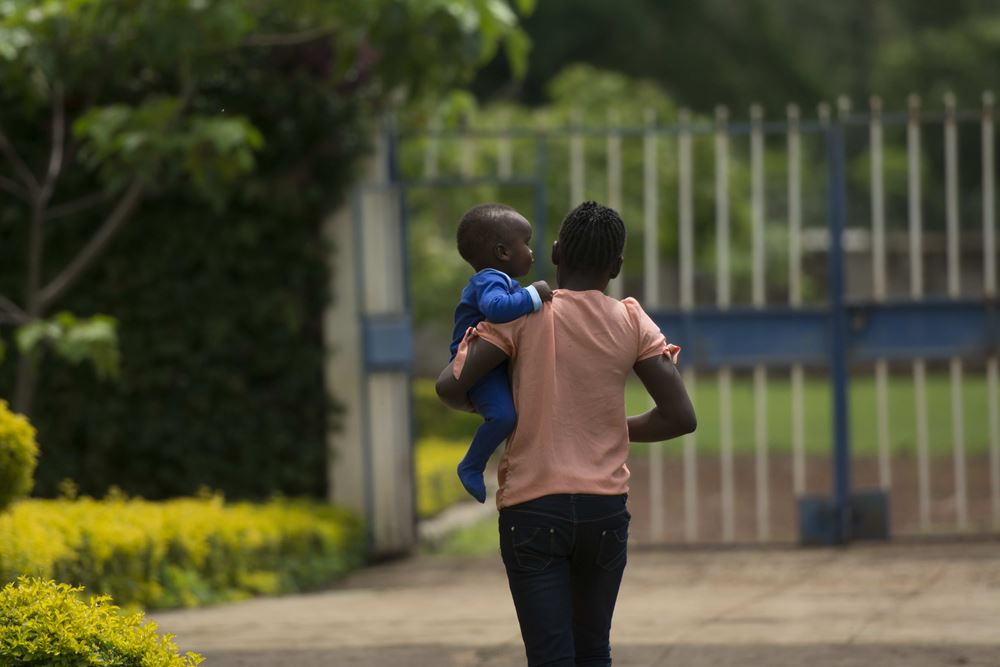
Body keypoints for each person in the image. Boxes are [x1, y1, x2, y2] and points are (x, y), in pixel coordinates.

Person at [436, 201, 696, 667]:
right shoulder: (632, 320)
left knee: (551, 657)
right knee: (594, 651)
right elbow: (679, 416)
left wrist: (501, 406)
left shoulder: (522, 313)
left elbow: (450, 387)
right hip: (604, 513)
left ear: (555, 253)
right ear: (616, 267)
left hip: (532, 511)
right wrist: (611, 428)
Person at [450, 203, 554, 503]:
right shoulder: (489, 280)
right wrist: (533, 294)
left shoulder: (500, 280)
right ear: (503, 253)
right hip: (477, 367)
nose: (532, 252)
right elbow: (496, 310)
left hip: (493, 366)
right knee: (504, 417)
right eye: (527, 243)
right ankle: (471, 464)